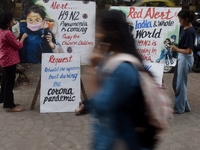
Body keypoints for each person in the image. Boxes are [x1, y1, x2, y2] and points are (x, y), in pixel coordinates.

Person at [83, 10, 150, 150]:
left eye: (99, 31)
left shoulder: (123, 69)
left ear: (112, 33)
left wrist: (91, 69)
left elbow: (102, 105)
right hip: (108, 139)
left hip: (120, 141)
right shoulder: (110, 60)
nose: (97, 35)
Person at [0, 12, 27, 112]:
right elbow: (18, 46)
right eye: (11, 21)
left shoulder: (2, 31)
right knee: (9, 83)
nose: (13, 22)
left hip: (5, 59)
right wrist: (22, 38)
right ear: (8, 23)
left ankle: (5, 100)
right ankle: (10, 105)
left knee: (5, 81)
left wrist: (15, 38)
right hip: (9, 60)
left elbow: (9, 43)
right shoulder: (7, 33)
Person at [171, 9, 196, 114]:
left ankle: (179, 108)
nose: (179, 21)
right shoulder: (183, 28)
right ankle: (185, 106)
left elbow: (189, 50)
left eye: (181, 20)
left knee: (180, 84)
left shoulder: (190, 31)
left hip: (185, 58)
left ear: (186, 19)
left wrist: (176, 50)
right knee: (176, 83)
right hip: (181, 57)